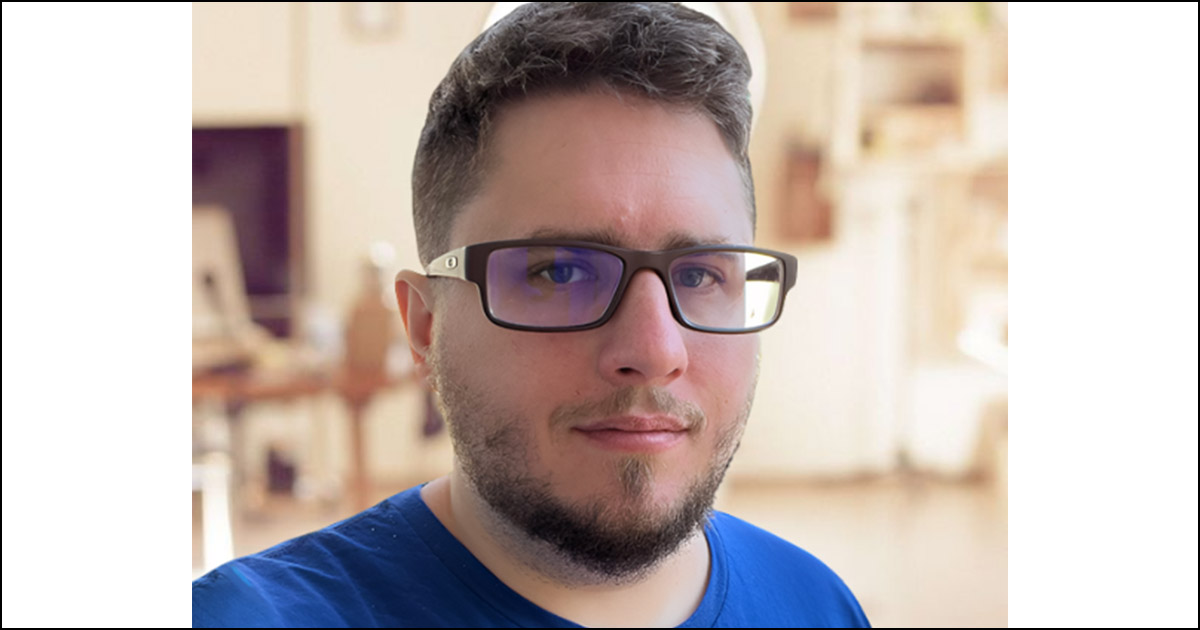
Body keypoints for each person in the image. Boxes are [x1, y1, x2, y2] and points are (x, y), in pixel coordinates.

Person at [192, 3, 870, 627]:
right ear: (426, 325)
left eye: (699, 275)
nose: (654, 349)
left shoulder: (815, 605)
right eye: (560, 272)